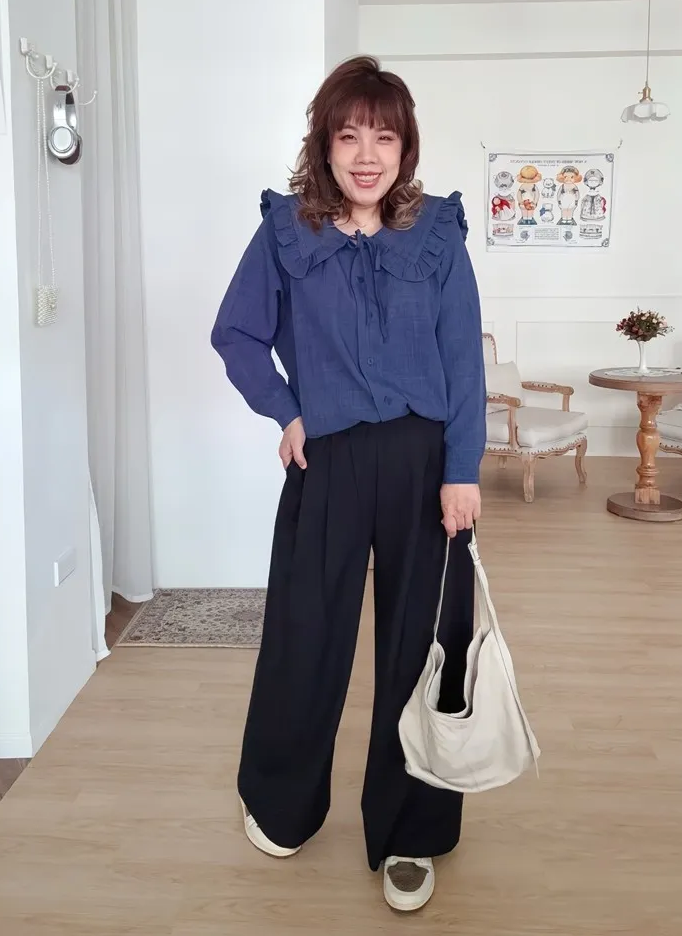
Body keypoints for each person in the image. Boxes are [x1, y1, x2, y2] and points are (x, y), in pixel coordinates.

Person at [210, 55, 486, 912]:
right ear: (324, 145)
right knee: (305, 634)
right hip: (324, 458)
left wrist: (461, 471)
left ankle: (411, 832)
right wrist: (286, 412)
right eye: (349, 135)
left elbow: (461, 361)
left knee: (423, 645)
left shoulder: (436, 235)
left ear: (406, 149)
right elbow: (236, 335)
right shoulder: (285, 232)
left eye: (385, 137)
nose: (367, 155)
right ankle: (283, 805)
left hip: (422, 463)